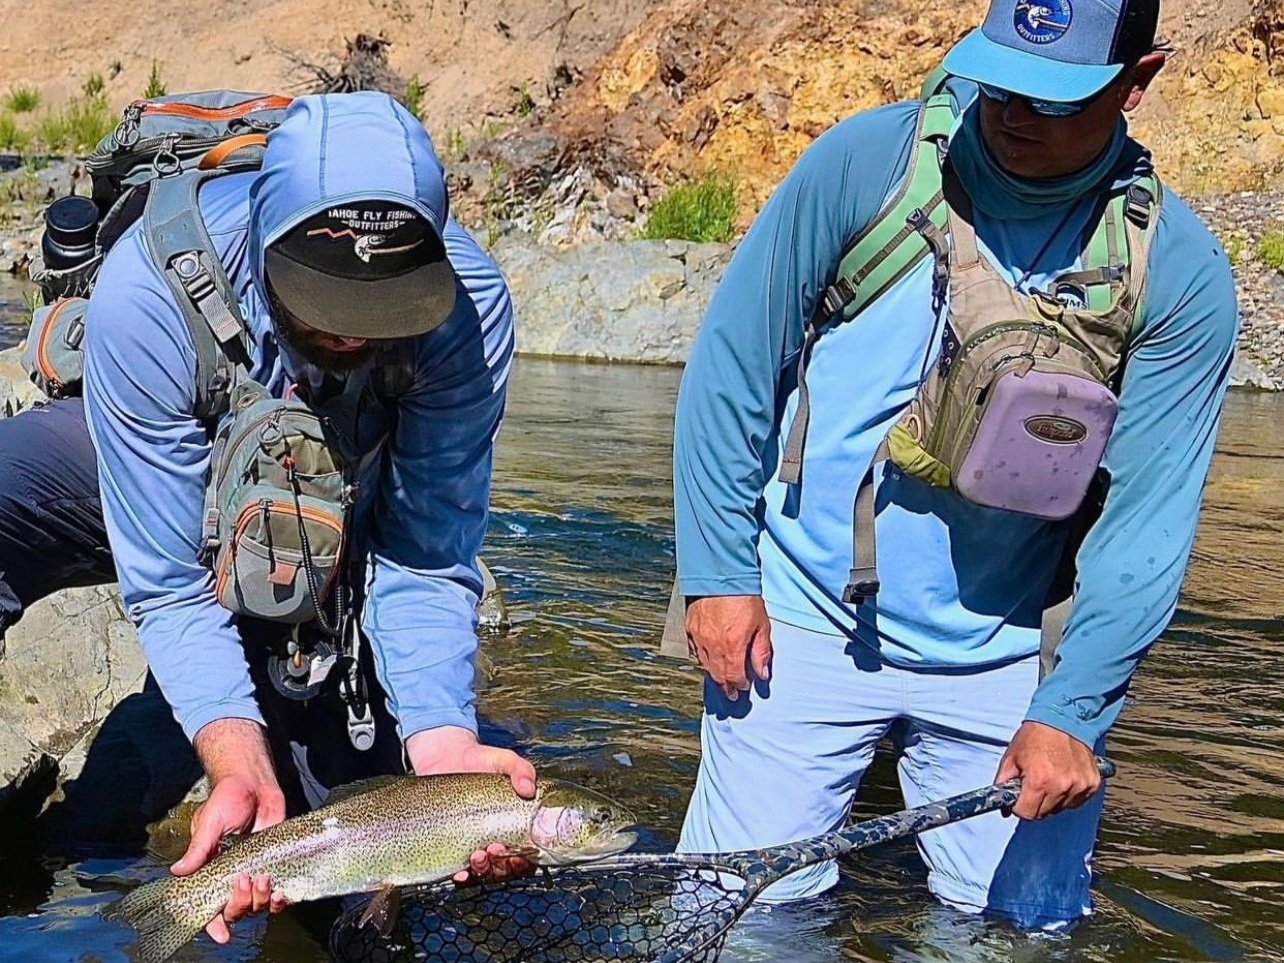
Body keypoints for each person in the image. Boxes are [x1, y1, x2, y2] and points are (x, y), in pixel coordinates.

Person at [672, 0, 1238, 928]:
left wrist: (1074, 709)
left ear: (1140, 83)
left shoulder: (1177, 271)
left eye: (1056, 102)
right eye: (1002, 82)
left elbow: (1149, 521)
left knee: (1015, 934)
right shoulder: (867, 164)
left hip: (1008, 650)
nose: (1015, 115)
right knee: (744, 923)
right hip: (800, 618)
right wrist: (718, 576)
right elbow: (735, 365)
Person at [0, 92, 534, 942]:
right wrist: (231, 751)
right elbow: (170, 585)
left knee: (368, 914)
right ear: (262, 236)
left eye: (379, 308)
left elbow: (427, 554)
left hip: (339, 539)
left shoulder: (466, 313)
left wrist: (442, 744)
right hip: (165, 490)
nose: (351, 334)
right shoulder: (149, 290)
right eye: (323, 300)